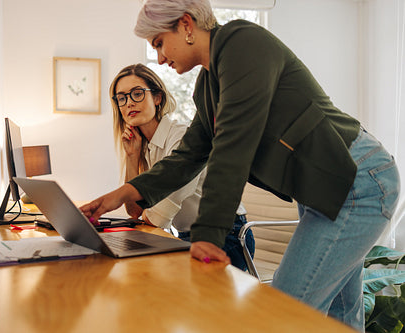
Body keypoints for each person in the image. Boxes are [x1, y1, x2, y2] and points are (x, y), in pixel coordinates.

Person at [81, 0, 400, 331]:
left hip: (359, 181)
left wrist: (209, 235)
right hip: (327, 189)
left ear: (186, 25)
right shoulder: (208, 84)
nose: (159, 58)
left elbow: (233, 144)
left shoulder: (242, 43)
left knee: (284, 314)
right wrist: (123, 193)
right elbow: (190, 155)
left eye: (160, 42)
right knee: (341, 319)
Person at [109, 63, 253, 270]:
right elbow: (134, 211)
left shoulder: (183, 138)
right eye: (122, 98)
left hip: (226, 237)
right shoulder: (145, 146)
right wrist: (132, 157)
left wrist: (144, 212)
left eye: (137, 93)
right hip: (187, 237)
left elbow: (158, 217)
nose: (129, 103)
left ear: (157, 97)